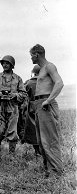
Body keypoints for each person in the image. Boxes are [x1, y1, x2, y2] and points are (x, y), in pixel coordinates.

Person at [30, 44, 64, 176]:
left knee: (50, 139)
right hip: (40, 104)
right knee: (41, 140)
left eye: (31, 55)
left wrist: (48, 100)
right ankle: (49, 170)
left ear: (36, 54)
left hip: (46, 104)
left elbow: (59, 83)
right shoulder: (41, 69)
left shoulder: (49, 66)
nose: (31, 58)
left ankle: (56, 172)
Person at [0, 55, 27, 155]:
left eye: (7, 63)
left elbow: (23, 94)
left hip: (12, 107)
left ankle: (11, 153)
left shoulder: (18, 78)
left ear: (12, 65)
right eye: (3, 63)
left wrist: (15, 95)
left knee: (12, 131)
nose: (5, 65)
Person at [21, 65, 41, 156]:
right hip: (44, 106)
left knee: (33, 129)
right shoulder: (46, 81)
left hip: (32, 106)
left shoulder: (29, 83)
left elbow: (24, 94)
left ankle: (37, 151)